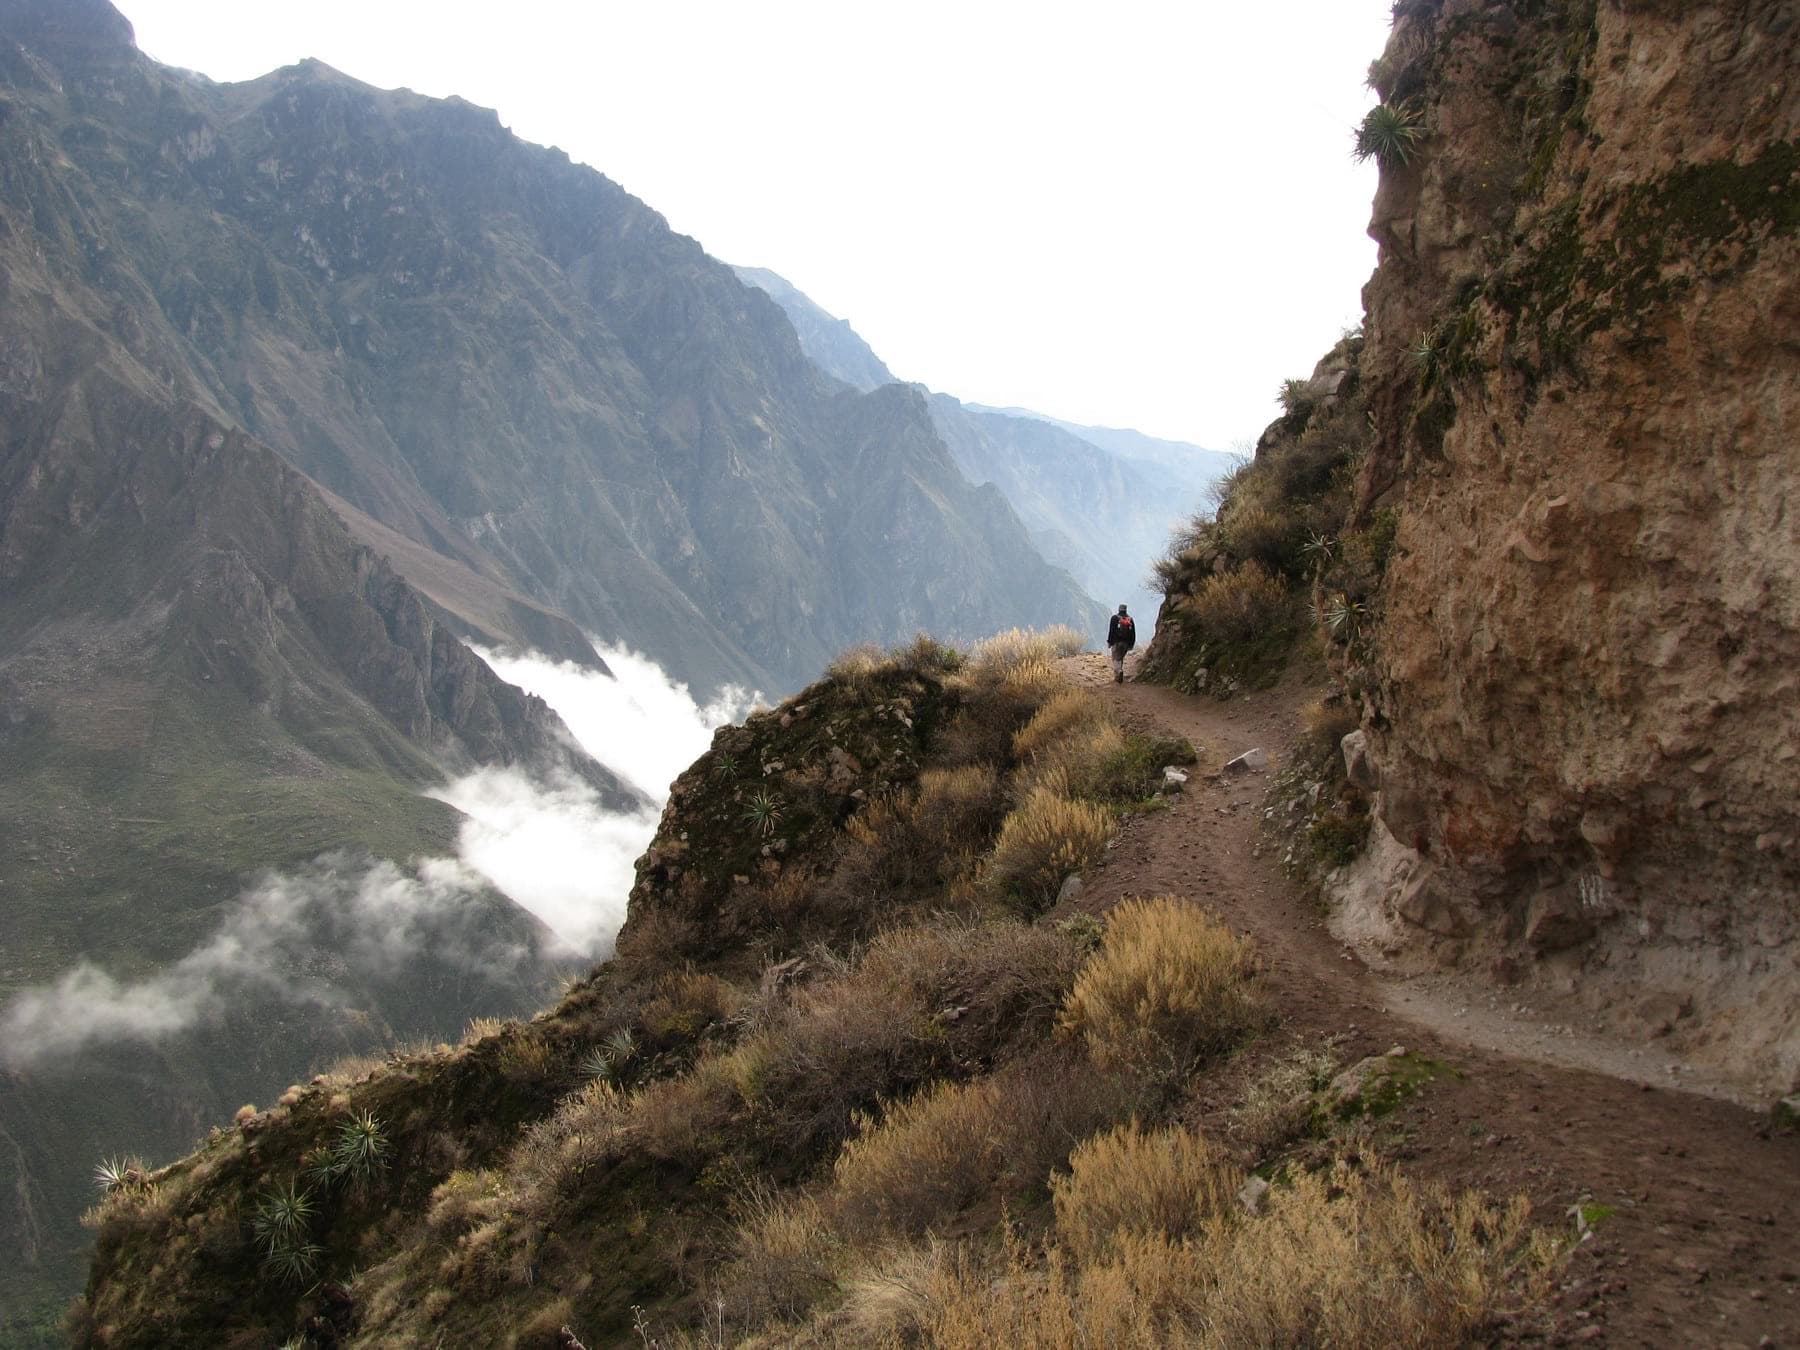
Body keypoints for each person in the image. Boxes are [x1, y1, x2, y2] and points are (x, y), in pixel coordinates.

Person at [1106, 604, 1136, 683]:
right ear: (1126, 610)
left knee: (1115, 658)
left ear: (1119, 609)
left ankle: (1119, 672)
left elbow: (1111, 631)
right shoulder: (1130, 619)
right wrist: (1131, 644)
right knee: (1120, 658)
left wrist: (1109, 642)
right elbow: (1133, 633)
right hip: (1126, 643)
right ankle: (1118, 675)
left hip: (1116, 642)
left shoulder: (1114, 618)